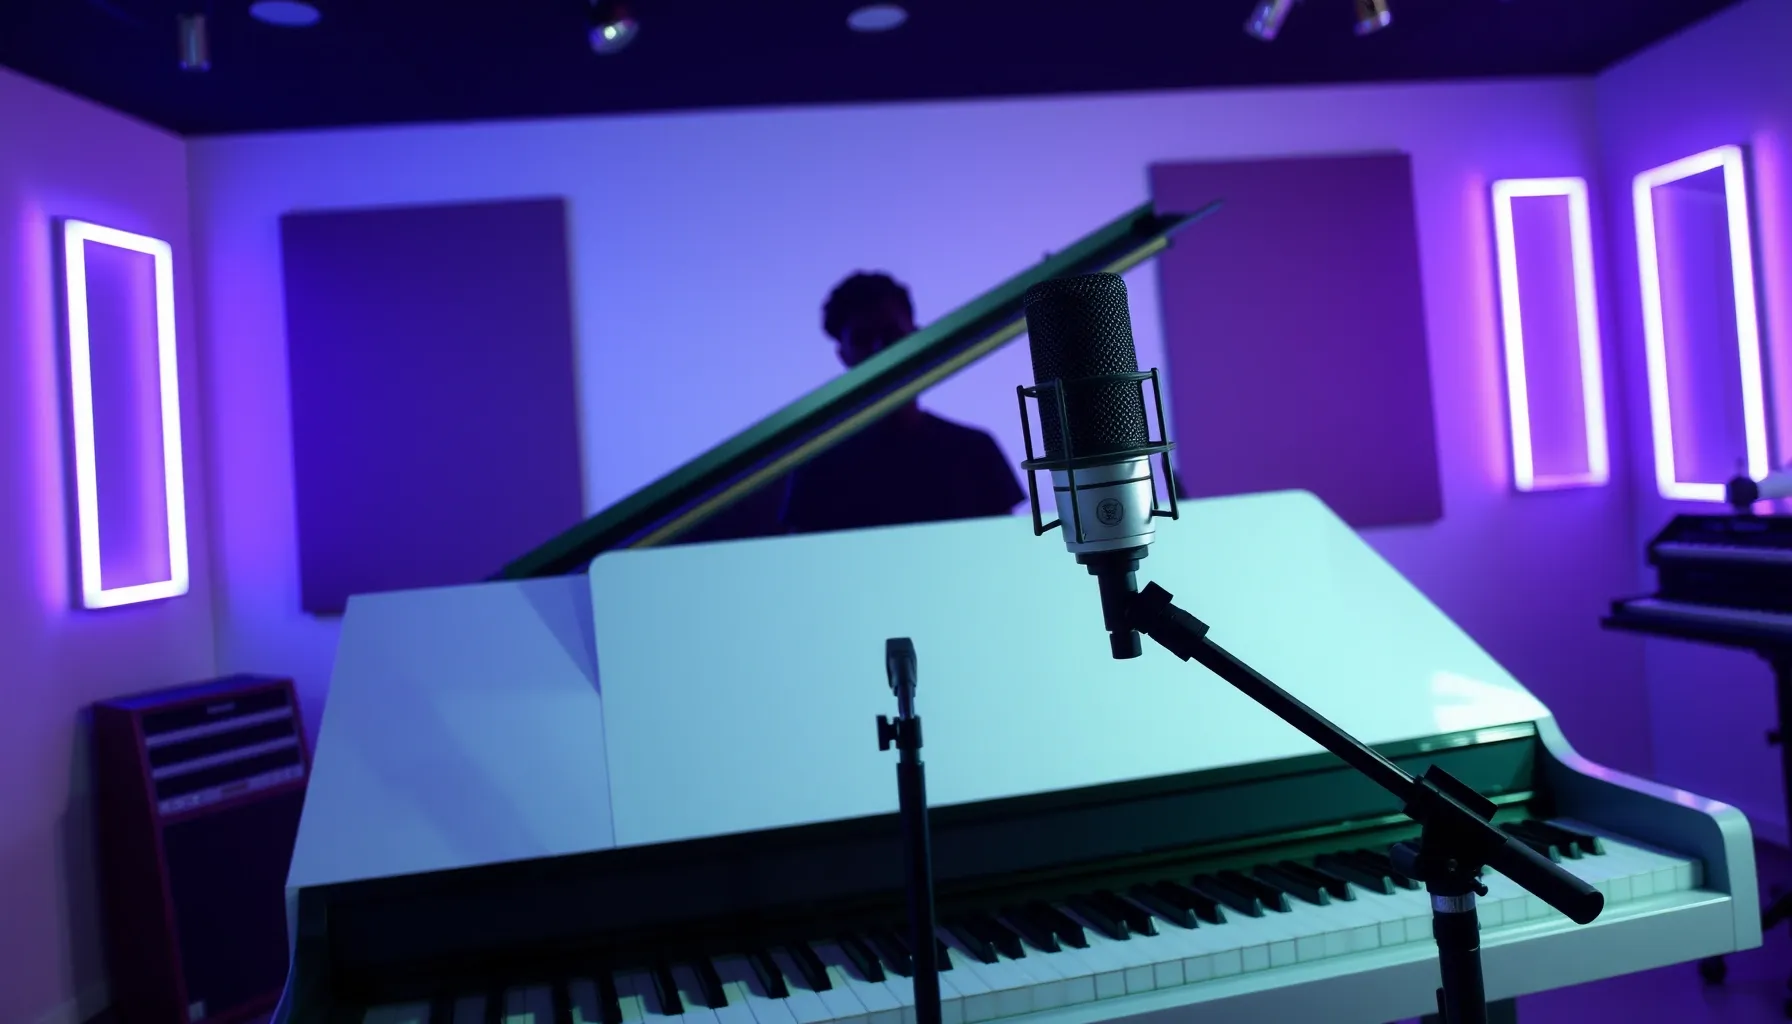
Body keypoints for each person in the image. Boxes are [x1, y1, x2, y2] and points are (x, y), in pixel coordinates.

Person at [780, 272, 1026, 534]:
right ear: (844, 355)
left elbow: (1006, 549)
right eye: (863, 339)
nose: (879, 350)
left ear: (916, 338)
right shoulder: (817, 467)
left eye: (891, 335)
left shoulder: (976, 452)